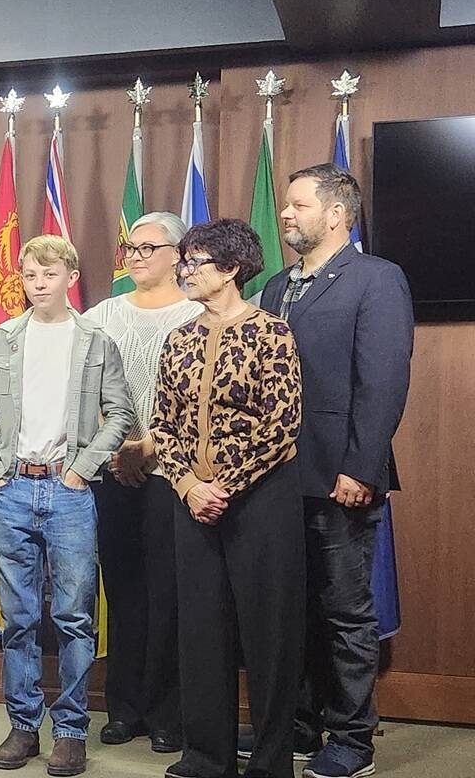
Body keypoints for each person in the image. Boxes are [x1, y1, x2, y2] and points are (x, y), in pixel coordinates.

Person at [257, 164, 413, 778]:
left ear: (337, 214)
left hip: (341, 478)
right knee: (291, 611)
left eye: (298, 205)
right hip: (277, 481)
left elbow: (383, 382)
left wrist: (361, 468)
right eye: (285, 205)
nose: (285, 214)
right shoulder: (276, 286)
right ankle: (299, 726)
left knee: (345, 613)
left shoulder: (377, 279)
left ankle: (352, 740)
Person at [0, 234, 134, 777]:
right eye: (30, 276)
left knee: (72, 615)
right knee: (19, 617)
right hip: (13, 487)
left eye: (49, 275)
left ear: (71, 277)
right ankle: (23, 725)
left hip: (68, 491)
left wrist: (81, 468)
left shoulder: (94, 340)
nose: (39, 285)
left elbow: (119, 413)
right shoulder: (4, 339)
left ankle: (70, 731)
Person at [152, 219, 304, 778]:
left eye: (195, 262)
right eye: (183, 261)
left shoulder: (272, 334)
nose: (184, 271)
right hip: (192, 499)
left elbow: (282, 423)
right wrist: (190, 486)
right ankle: (206, 756)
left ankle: (270, 761)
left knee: (269, 633)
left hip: (261, 499)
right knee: (201, 628)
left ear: (232, 269)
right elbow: (162, 423)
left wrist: (225, 486)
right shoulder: (179, 339)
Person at [83, 212, 201, 754]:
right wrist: (116, 451)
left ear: (178, 255)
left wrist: (149, 448)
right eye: (130, 246)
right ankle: (123, 708)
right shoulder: (104, 314)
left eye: (148, 247)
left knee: (169, 593)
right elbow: (83, 387)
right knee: (122, 590)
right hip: (113, 470)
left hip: (174, 474)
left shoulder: (196, 313)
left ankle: (167, 712)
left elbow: (199, 401)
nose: (134, 255)